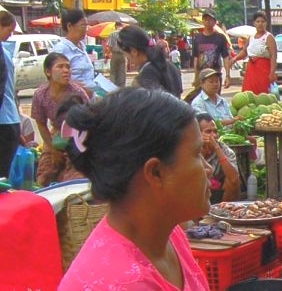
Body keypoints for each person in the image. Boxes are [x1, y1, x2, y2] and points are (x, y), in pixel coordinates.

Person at [58, 88, 210, 289]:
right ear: (155, 172)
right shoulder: (125, 283)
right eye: (197, 153)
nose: (207, 168)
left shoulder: (167, 235)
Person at [32, 53, 90, 186]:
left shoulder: (77, 92)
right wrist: (53, 149)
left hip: (78, 138)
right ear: (48, 72)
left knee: (74, 179)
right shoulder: (40, 94)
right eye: (60, 67)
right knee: (44, 175)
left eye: (68, 67)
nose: (66, 70)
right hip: (56, 137)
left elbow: (88, 123)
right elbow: (41, 124)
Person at [118, 25, 183, 97]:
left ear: (134, 51)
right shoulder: (169, 65)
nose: (127, 58)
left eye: (125, 54)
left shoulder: (147, 73)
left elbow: (152, 102)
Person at [196, 113, 239, 203]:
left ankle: (223, 213)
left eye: (215, 131)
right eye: (208, 132)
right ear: (197, 134)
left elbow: (234, 179)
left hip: (216, 192)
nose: (214, 135)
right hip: (194, 190)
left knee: (232, 182)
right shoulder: (190, 149)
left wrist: (217, 148)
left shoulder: (225, 150)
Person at [52, 9, 97, 94]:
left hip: (89, 99)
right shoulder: (61, 49)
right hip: (73, 99)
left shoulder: (82, 46)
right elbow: (55, 78)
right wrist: (74, 85)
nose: (85, 30)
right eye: (83, 26)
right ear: (69, 26)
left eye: (86, 26)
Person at [233, 11, 277, 95]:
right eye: (258, 21)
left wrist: (272, 72)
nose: (260, 24)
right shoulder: (251, 37)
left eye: (263, 22)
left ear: (266, 23)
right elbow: (244, 51)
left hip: (264, 70)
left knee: (263, 94)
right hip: (251, 70)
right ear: (254, 23)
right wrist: (235, 59)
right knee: (248, 93)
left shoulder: (269, 37)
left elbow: (273, 56)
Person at [192, 10, 232, 89]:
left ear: (215, 22)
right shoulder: (197, 38)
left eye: (210, 19)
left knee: (214, 99)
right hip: (202, 76)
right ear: (202, 21)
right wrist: (196, 77)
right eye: (206, 19)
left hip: (215, 75)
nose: (208, 22)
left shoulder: (220, 37)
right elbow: (196, 58)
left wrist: (227, 76)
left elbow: (225, 57)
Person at [0, 11, 17, 177]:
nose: (10, 35)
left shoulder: (4, 52)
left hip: (6, 118)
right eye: (9, 31)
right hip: (7, 117)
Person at [105, 22, 127, 87]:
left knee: (113, 72)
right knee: (122, 72)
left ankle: (112, 86)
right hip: (123, 54)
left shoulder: (112, 34)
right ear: (121, 26)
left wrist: (107, 56)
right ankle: (121, 88)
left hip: (114, 54)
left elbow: (110, 46)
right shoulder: (125, 34)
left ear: (115, 26)